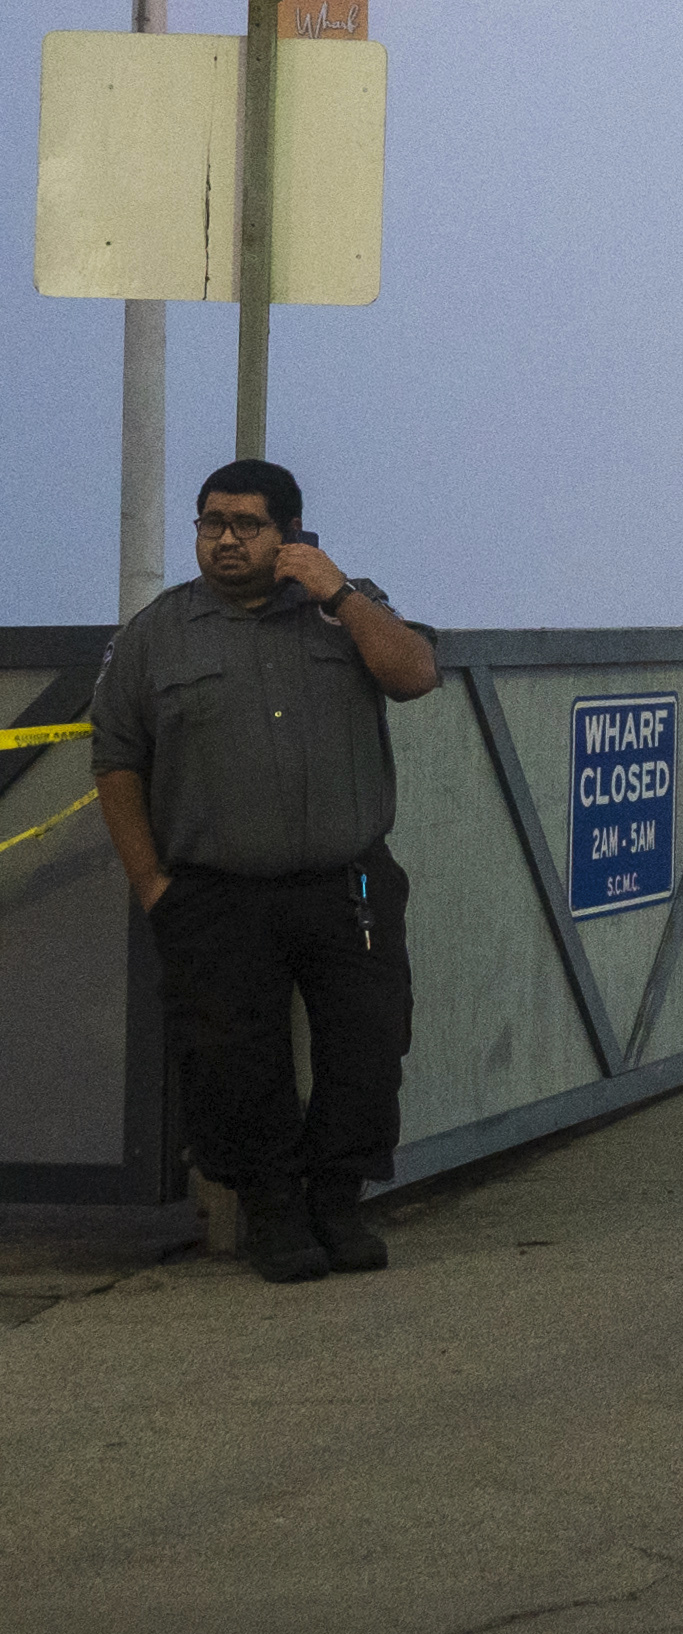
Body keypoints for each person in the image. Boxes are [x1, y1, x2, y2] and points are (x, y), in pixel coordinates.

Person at [89, 461, 441, 1283]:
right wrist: (152, 886)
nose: (226, 539)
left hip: (344, 882)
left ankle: (337, 1202)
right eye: (212, 523)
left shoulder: (345, 610)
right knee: (233, 1061)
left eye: (247, 524)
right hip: (215, 892)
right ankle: (276, 1215)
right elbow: (116, 760)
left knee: (367, 1045)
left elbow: (416, 674)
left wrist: (343, 593)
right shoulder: (158, 633)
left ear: (288, 533)